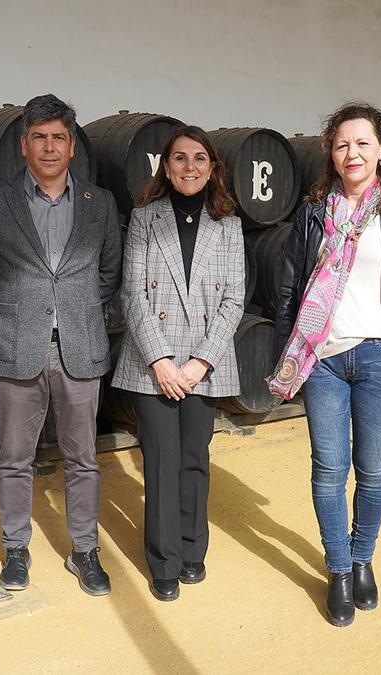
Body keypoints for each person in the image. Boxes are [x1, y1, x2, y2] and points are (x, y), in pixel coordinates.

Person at [268, 102, 381, 627]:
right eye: (342, 144)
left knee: (375, 470)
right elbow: (290, 288)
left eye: (363, 143)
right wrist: (287, 355)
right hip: (324, 360)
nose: (352, 153)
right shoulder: (313, 214)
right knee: (328, 469)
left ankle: (364, 559)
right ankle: (338, 568)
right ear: (332, 155)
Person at [0, 94, 123, 596]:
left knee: (84, 459)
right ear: (23, 145)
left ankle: (84, 550)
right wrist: (23, 310)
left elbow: (109, 274)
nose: (49, 147)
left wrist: (69, 308)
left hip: (80, 346)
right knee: (14, 458)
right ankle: (16, 549)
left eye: (58, 137)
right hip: (16, 347)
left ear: (72, 146)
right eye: (39, 138)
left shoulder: (101, 203)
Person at [110, 126, 245, 601]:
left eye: (200, 158)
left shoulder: (228, 224)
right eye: (181, 158)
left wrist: (198, 364)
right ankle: (164, 563)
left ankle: (192, 552)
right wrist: (163, 361)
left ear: (213, 169)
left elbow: (234, 299)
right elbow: (132, 293)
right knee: (161, 463)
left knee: (194, 461)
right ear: (165, 168)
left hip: (203, 365)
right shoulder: (145, 219)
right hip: (154, 364)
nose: (190, 167)